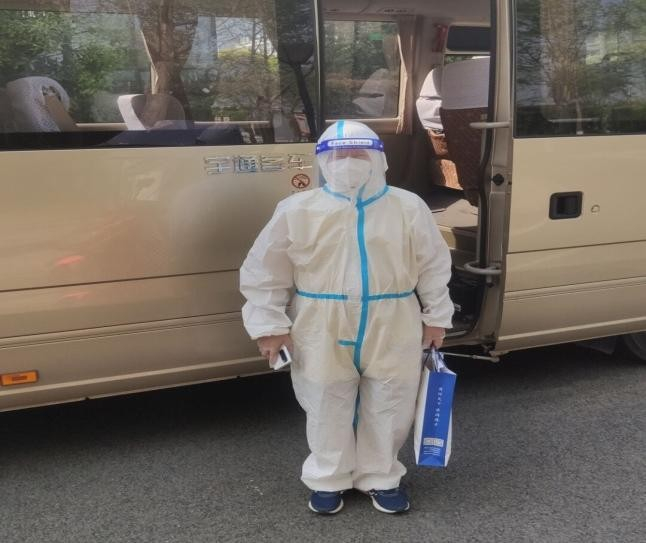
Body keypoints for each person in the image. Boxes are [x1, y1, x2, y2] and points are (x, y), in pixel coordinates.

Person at [240, 120, 454, 515]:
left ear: (377, 160)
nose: (349, 162)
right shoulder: (297, 209)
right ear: (323, 161)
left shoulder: (407, 207)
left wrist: (436, 316)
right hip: (319, 320)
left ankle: (381, 476)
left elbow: (433, 265)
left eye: (358, 154)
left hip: (393, 316)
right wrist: (269, 327)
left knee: (391, 399)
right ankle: (328, 477)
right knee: (324, 398)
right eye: (339, 155)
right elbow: (265, 271)